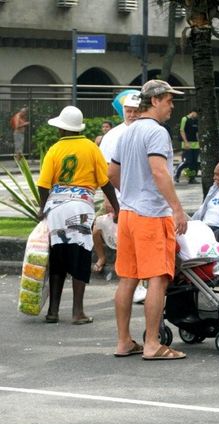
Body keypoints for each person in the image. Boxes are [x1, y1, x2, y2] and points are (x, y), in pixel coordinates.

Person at [108, 79, 188, 360]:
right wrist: (177, 209)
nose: (172, 106)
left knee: (128, 279)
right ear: (154, 101)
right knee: (158, 279)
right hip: (151, 216)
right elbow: (159, 172)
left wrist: (130, 192)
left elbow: (112, 174)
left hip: (128, 214)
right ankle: (152, 343)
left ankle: (123, 342)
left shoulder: (127, 132)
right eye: (168, 100)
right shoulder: (156, 132)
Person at [37, 105, 119, 325]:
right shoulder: (91, 148)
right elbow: (105, 182)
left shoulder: (54, 149)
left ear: (63, 130)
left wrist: (41, 208)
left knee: (58, 257)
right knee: (80, 256)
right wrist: (117, 208)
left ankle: (53, 311)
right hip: (81, 208)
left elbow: (44, 185)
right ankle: (77, 312)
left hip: (56, 208)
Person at [93, 92, 147, 303]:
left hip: (142, 198)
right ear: (122, 111)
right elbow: (107, 171)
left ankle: (139, 284)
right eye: (128, 111)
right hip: (120, 198)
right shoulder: (112, 136)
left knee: (138, 242)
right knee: (126, 244)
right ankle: (132, 285)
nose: (132, 115)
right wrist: (109, 200)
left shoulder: (148, 131)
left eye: (136, 111)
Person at [174, 109, 199, 184]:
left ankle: (192, 178)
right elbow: (182, 131)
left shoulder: (196, 120)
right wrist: (186, 142)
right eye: (197, 114)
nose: (197, 116)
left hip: (196, 144)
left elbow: (197, 132)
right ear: (193, 112)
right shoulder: (185, 119)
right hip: (187, 144)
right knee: (187, 161)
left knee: (194, 163)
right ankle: (176, 175)